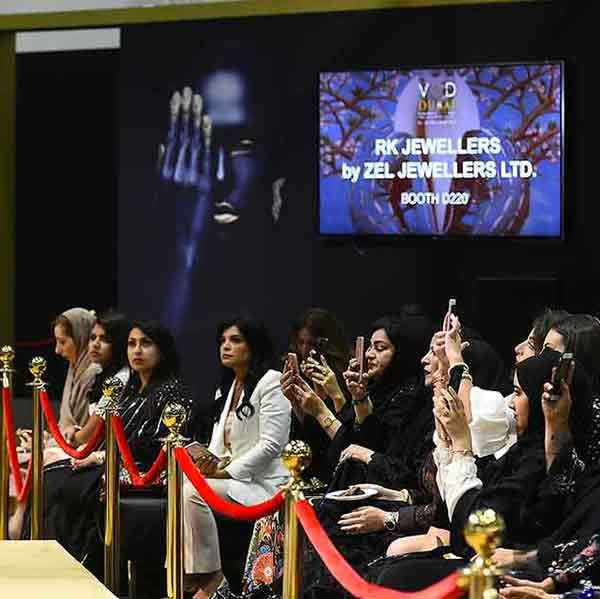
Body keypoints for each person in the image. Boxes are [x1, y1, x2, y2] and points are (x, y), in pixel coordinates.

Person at [26, 321, 193, 568]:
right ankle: (46, 558)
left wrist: (100, 457)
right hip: (115, 462)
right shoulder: (131, 391)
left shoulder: (172, 392)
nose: (137, 351)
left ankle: (82, 564)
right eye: (132, 344)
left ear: (162, 350)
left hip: (146, 471)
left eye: (146, 344)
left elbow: (152, 447)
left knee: (67, 485)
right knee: (51, 475)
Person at [183, 317, 291, 599]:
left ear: (253, 345)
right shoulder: (228, 386)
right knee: (179, 481)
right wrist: (208, 462)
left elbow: (271, 445)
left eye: (235, 340)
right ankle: (183, 577)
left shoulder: (272, 381)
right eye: (222, 341)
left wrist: (224, 473)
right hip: (234, 477)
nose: (226, 346)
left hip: (264, 483)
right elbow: (222, 446)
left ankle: (211, 579)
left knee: (193, 493)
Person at [53, 307, 101, 435]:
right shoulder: (74, 370)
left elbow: (87, 434)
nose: (57, 350)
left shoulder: (94, 373)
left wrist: (46, 442)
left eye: (62, 342)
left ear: (81, 338)